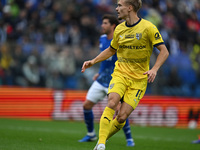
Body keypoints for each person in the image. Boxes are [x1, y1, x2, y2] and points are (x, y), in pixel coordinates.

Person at [81, 0, 169, 150]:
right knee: (112, 102)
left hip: (139, 80)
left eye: (119, 5)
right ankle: (102, 144)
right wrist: (93, 61)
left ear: (129, 8)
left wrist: (154, 69)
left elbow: (164, 51)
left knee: (122, 117)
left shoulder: (148, 27)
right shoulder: (119, 29)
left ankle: (101, 140)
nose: (116, 9)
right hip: (120, 73)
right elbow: (111, 50)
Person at [79, 14, 135, 147]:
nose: (102, 26)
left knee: (119, 110)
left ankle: (129, 138)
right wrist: (99, 72)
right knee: (86, 105)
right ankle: (91, 134)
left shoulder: (121, 39)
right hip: (102, 79)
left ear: (113, 26)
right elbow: (105, 59)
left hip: (116, 79)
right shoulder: (102, 39)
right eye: (102, 23)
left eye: (105, 23)